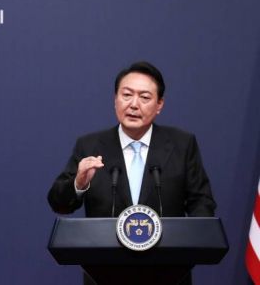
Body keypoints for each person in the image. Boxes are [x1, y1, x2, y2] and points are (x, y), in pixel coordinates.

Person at [48, 61, 216, 218]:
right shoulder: (89, 146)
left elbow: (201, 203)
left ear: (159, 105)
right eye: (127, 95)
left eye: (144, 97)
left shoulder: (182, 144)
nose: (134, 105)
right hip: (105, 241)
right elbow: (59, 204)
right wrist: (78, 184)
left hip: (166, 241)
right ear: (115, 100)